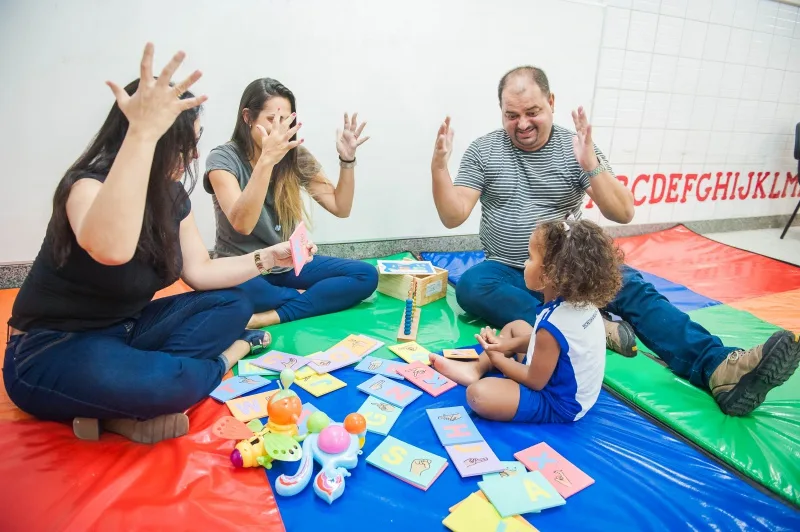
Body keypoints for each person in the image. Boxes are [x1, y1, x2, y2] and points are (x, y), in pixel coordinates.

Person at [430, 65, 800, 417]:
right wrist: (439, 169)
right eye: (512, 115)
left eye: (533, 111)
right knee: (474, 286)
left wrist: (590, 165)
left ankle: (717, 366)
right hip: (508, 269)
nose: (523, 123)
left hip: (566, 267)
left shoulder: (575, 147)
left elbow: (623, 212)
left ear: (551, 103)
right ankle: (589, 327)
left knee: (633, 288)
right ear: (501, 112)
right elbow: (453, 215)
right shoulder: (484, 150)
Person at [3, 44, 314, 444]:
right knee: (165, 386)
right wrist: (143, 132)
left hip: (128, 331)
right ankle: (225, 357)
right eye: (187, 144)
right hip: (52, 347)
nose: (194, 155)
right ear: (156, 142)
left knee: (234, 303)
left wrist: (268, 257)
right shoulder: (86, 186)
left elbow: (201, 272)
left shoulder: (171, 197)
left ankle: (117, 406)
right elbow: (111, 249)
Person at [204, 78, 378, 329]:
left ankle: (269, 317)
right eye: (271, 120)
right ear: (247, 117)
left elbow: (341, 207)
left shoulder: (295, 155)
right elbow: (242, 224)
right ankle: (302, 303)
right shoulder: (222, 158)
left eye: (286, 121)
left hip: (286, 265)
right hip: (242, 268)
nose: (279, 130)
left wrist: (347, 160)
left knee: (365, 275)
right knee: (250, 295)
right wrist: (267, 160)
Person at [431, 220, 623, 423]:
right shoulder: (578, 305)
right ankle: (475, 369)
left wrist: (499, 359)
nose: (524, 263)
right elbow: (545, 344)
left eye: (530, 258)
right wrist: (507, 345)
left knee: (478, 394)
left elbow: (535, 380)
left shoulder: (554, 324)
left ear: (549, 274)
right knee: (516, 327)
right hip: (567, 383)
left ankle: (482, 369)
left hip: (558, 403)